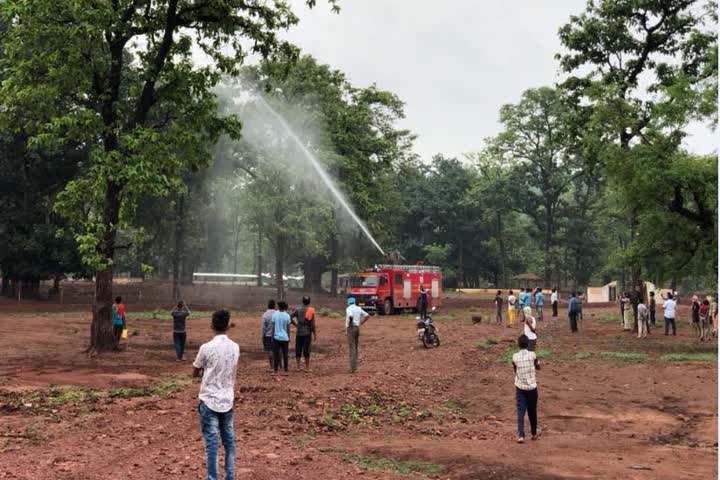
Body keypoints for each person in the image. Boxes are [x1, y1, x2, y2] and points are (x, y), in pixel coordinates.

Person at [192, 309, 239, 480]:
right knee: (229, 441)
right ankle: (229, 476)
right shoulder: (235, 347)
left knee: (212, 443)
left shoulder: (206, 348)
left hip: (209, 399)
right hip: (227, 399)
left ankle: (212, 477)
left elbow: (195, 371)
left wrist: (205, 371)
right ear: (228, 325)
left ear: (212, 325)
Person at [512, 334, 540, 444]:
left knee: (520, 411)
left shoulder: (514, 356)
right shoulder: (533, 355)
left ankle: (521, 435)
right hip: (532, 387)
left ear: (518, 345)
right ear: (528, 344)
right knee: (532, 411)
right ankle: (533, 433)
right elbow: (538, 367)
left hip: (520, 387)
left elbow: (515, 370)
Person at [291, 296, 317, 371]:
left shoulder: (298, 310)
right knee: (306, 350)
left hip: (299, 332)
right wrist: (314, 334)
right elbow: (312, 324)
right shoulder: (311, 310)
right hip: (307, 332)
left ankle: (298, 367)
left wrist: (295, 324)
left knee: (298, 349)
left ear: (302, 301)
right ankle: (307, 368)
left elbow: (290, 317)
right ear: (309, 302)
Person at [345, 297, 369, 373]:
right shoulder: (358, 308)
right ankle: (355, 367)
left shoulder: (348, 309)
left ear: (348, 302)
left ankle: (352, 368)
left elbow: (350, 316)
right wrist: (360, 324)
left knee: (352, 348)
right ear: (354, 302)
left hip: (351, 328)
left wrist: (350, 323)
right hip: (357, 328)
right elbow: (367, 315)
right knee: (355, 347)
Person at [271, 301, 292, 373]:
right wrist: (289, 337)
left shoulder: (274, 315)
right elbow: (288, 328)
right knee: (285, 354)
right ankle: (286, 370)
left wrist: (272, 337)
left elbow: (273, 327)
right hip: (285, 338)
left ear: (279, 307)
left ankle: (275, 370)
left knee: (276, 354)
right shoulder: (287, 315)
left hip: (276, 337)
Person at [261, 300, 276, 370]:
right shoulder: (277, 314)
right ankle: (280, 365)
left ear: (268, 305)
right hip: (276, 335)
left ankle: (272, 367)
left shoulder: (265, 315)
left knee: (270, 350)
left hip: (268, 335)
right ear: (274, 306)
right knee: (278, 350)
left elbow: (263, 327)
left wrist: (263, 336)